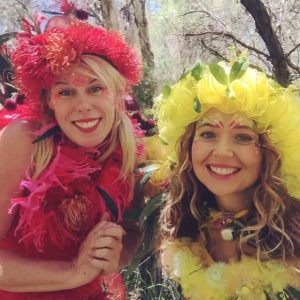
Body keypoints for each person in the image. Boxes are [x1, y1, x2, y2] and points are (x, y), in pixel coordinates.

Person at [0, 8, 142, 300]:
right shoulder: (23, 142)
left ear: (117, 96)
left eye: (95, 88)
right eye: (65, 92)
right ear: (48, 100)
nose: (83, 106)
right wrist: (74, 271)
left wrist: (115, 256)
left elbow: (130, 232)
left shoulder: (130, 151)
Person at [156, 59, 300, 299]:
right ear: (188, 147)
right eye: (208, 134)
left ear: (270, 151)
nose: (222, 152)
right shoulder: (178, 224)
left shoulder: (294, 230)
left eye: (242, 137)